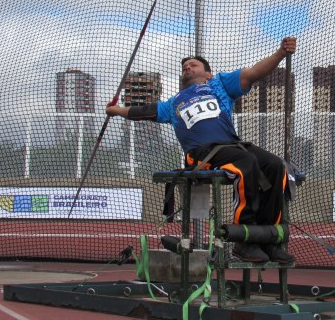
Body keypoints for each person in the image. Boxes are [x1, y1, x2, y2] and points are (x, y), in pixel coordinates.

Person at [106, 37, 297, 264]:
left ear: (208, 73)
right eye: (184, 67)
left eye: (193, 65)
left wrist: (281, 53)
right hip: (200, 153)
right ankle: (245, 241)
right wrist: (116, 110)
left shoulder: (220, 85)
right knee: (245, 163)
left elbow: (254, 73)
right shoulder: (173, 103)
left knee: (275, 166)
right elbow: (141, 111)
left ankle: (270, 241)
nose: (187, 67)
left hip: (231, 145)